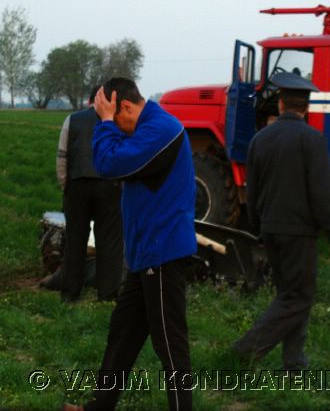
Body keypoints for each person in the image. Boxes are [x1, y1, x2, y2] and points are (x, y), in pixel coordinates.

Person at [64, 77, 197, 411]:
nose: (112, 127)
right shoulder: (146, 127)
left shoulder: (162, 130)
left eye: (110, 116)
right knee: (123, 333)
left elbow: (108, 163)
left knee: (170, 343)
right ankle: (99, 406)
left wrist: (106, 123)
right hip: (145, 255)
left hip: (163, 253)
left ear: (124, 106)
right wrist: (110, 122)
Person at [231, 72, 330, 370]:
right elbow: (322, 191)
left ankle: (294, 362)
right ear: (305, 108)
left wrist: (257, 225)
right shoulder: (313, 139)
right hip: (300, 232)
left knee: (290, 295)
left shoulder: (259, 139)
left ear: (280, 104)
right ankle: (248, 349)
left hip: (270, 228)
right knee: (298, 297)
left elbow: (251, 190)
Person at [43, 88, 124, 303]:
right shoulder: (119, 121)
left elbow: (62, 156)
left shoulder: (73, 120)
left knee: (75, 242)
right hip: (109, 185)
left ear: (89, 100)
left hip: (77, 185)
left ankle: (70, 293)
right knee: (110, 243)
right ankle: (107, 294)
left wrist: (65, 185)